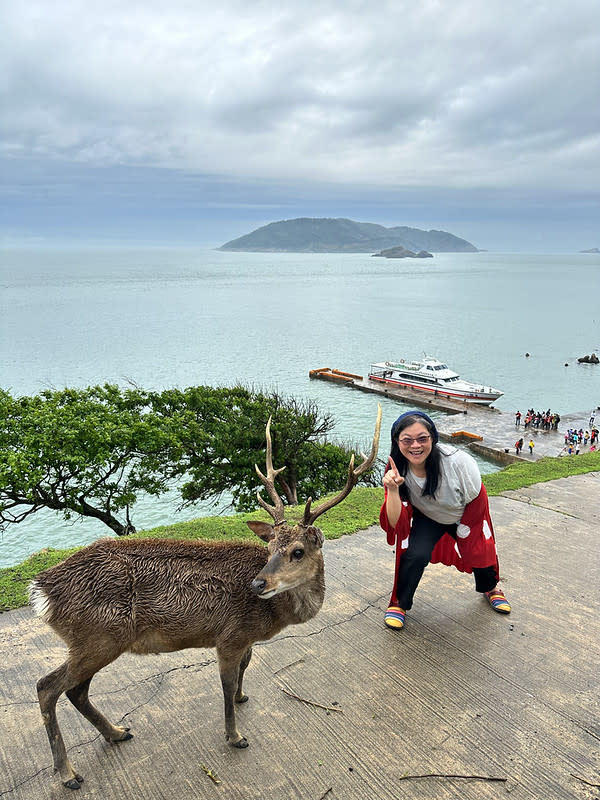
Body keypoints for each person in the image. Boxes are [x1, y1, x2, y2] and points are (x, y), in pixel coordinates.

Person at [380, 411, 511, 630]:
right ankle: (399, 603)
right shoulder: (396, 468)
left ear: (433, 438)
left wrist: (465, 532)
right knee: (415, 554)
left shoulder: (458, 462)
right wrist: (392, 489)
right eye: (407, 440)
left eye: (422, 438)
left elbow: (478, 499)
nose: (415, 446)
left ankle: (491, 587)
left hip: (465, 515)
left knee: (478, 551)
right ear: (397, 441)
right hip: (428, 517)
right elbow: (395, 522)